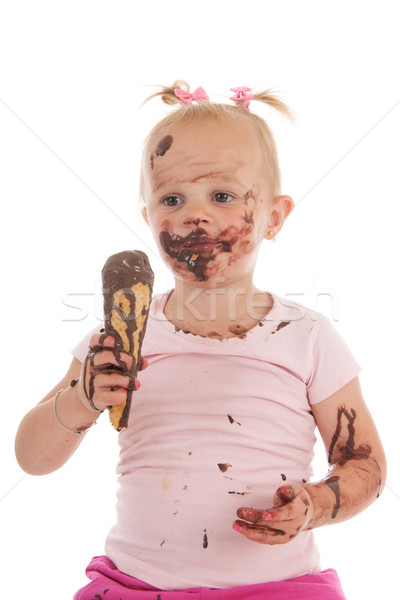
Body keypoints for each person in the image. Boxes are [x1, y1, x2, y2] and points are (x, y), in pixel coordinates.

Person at [15, 81, 386, 600]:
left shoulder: (307, 337)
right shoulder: (117, 343)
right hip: (137, 585)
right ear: (148, 218)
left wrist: (315, 505)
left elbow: (364, 465)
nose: (195, 213)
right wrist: (82, 398)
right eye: (172, 198)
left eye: (222, 195)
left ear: (275, 218)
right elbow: (32, 459)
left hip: (279, 588)